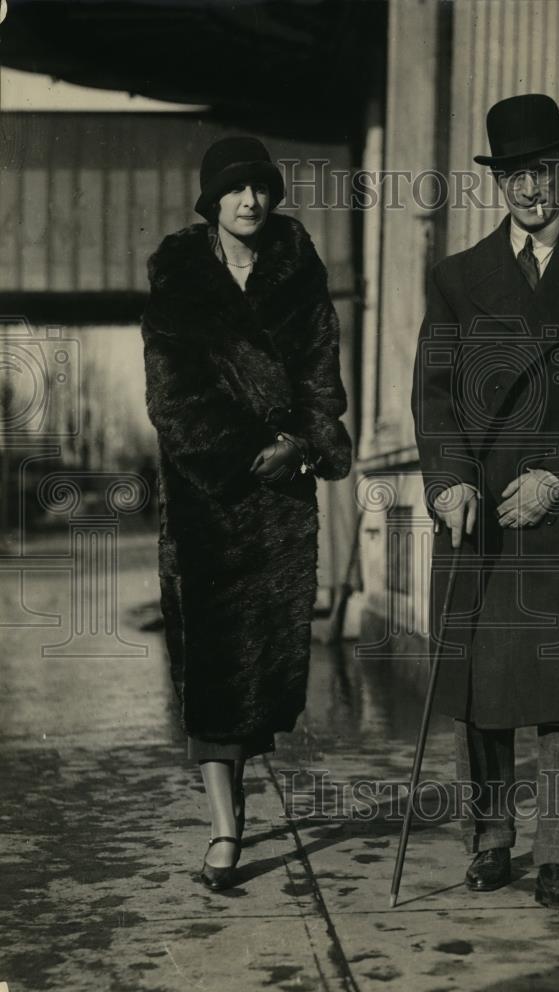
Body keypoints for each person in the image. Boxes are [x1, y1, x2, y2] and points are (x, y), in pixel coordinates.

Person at [411, 94, 559, 910]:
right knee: (483, 692)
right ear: (498, 182)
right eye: (515, 174)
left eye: (542, 171)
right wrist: (445, 483)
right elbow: (435, 395)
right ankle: (489, 840)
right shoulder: (454, 280)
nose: (530, 188)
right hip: (479, 507)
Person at [141, 136, 352, 891]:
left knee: (261, 666)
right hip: (208, 498)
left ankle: (239, 790)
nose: (250, 201)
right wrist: (242, 453)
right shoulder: (178, 281)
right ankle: (226, 828)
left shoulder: (299, 274)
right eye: (235, 190)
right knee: (210, 663)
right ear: (212, 202)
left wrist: (302, 444)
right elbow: (172, 399)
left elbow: (324, 383)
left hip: (279, 501)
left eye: (260, 187)